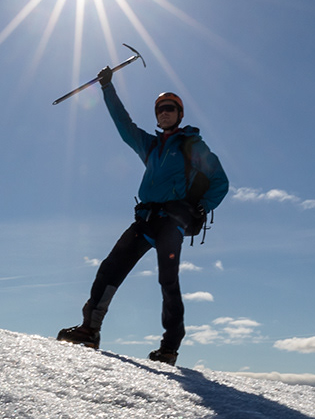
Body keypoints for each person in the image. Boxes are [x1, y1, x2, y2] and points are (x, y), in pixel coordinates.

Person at [57, 70, 228, 365]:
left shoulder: (192, 146)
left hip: (172, 220)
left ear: (179, 113)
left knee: (167, 280)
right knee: (110, 268)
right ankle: (90, 330)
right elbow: (124, 124)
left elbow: (220, 181)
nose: (164, 113)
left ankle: (169, 348)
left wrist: (202, 207)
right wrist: (108, 87)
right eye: (160, 109)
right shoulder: (150, 146)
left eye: (170, 108)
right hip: (146, 218)